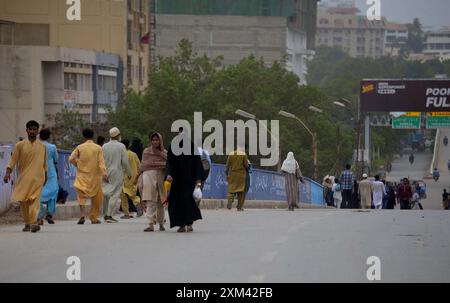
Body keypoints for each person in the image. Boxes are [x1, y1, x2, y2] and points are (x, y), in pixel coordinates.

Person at [3, 120, 47, 233]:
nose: (32, 131)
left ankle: (33, 223)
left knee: (34, 201)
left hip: (38, 179)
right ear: (26, 130)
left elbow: (44, 163)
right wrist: (8, 172)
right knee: (24, 202)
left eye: (34, 129)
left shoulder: (42, 147)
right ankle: (27, 223)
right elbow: (13, 161)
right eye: (30, 129)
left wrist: (45, 176)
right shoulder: (19, 145)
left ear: (38, 131)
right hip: (24, 179)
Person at [165, 132, 203, 232]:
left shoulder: (191, 147)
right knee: (175, 203)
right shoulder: (173, 146)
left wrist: (198, 179)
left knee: (188, 202)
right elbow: (169, 161)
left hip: (189, 180)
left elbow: (197, 163)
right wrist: (168, 174)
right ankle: (181, 224)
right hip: (176, 180)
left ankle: (189, 223)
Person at [69, 128, 108, 224]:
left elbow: (71, 158)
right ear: (92, 136)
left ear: (84, 136)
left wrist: (77, 164)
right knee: (97, 197)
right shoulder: (98, 148)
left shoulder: (80, 147)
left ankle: (82, 214)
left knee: (81, 194)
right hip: (95, 176)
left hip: (82, 175)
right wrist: (104, 174)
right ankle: (93, 217)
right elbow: (101, 162)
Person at [136, 132, 167, 232]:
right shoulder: (146, 151)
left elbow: (167, 164)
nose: (155, 142)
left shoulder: (165, 153)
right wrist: (137, 176)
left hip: (160, 177)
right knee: (150, 201)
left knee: (160, 202)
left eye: (157, 140)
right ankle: (150, 224)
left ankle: (161, 224)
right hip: (148, 177)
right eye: (153, 140)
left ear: (160, 141)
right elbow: (143, 165)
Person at [102, 127, 131, 223]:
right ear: (118, 135)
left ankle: (106, 214)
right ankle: (109, 215)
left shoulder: (104, 146)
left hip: (106, 172)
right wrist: (129, 173)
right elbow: (125, 162)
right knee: (115, 194)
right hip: (117, 172)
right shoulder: (121, 146)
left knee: (107, 194)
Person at [37, 129, 59, 225]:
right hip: (50, 172)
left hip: (38, 171)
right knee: (53, 193)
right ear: (48, 137)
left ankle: (39, 216)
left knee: (38, 194)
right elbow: (56, 159)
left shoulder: (35, 146)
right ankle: (49, 214)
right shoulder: (52, 147)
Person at [120, 139, 143, 219]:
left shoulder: (121, 155)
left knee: (123, 196)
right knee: (132, 195)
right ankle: (137, 204)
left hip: (123, 178)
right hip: (133, 178)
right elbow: (139, 165)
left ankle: (126, 214)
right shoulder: (134, 154)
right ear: (128, 145)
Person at [226, 145, 249, 211]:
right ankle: (239, 207)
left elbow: (227, 165)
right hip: (241, 175)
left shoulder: (231, 154)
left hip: (233, 174)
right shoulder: (244, 155)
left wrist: (226, 174)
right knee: (240, 192)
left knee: (232, 189)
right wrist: (248, 168)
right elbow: (246, 165)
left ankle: (230, 198)